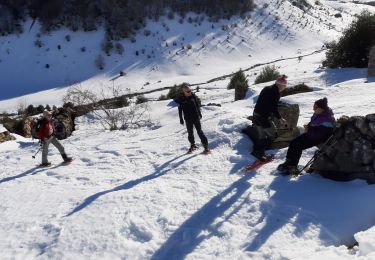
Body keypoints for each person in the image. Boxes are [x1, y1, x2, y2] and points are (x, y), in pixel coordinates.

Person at [277, 97, 335, 175]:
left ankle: (293, 166)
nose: (313, 109)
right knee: (293, 142)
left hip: (319, 138)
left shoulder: (327, 119)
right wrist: (309, 126)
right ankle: (288, 162)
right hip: (312, 134)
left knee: (298, 146)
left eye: (315, 107)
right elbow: (314, 124)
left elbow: (321, 133)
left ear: (321, 108)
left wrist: (309, 129)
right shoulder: (319, 113)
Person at [251, 75, 288, 160]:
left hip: (256, 114)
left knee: (262, 136)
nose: (285, 87)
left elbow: (266, 102)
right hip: (263, 117)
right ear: (280, 85)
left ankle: (258, 151)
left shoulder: (267, 88)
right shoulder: (275, 92)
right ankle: (258, 153)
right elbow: (273, 107)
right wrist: (280, 118)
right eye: (284, 85)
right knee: (273, 134)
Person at [174, 83, 210, 154]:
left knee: (200, 132)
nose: (189, 92)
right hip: (188, 119)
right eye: (187, 91)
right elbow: (180, 110)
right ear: (184, 92)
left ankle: (206, 147)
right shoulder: (181, 99)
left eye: (190, 90)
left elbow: (197, 106)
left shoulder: (193, 97)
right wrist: (181, 119)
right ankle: (193, 145)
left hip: (196, 117)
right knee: (190, 133)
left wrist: (199, 114)